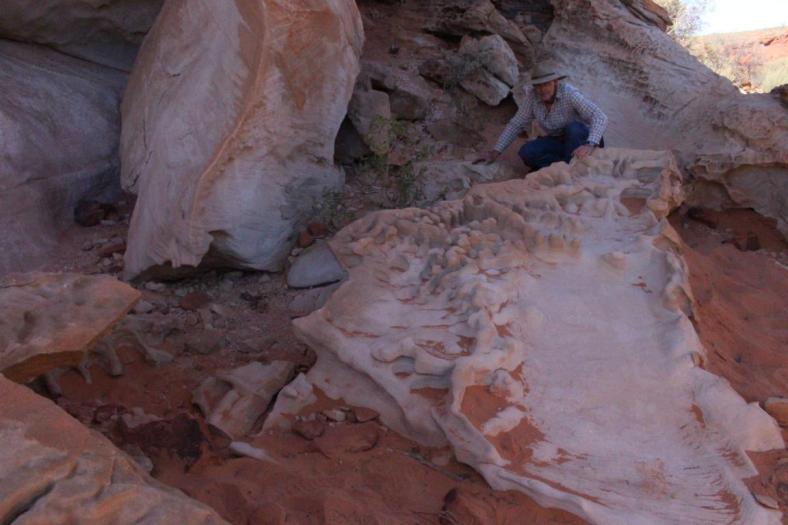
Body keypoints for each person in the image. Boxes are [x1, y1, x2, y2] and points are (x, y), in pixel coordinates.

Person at [480, 61, 608, 170]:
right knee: (527, 152)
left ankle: (570, 168)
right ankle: (565, 165)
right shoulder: (532, 97)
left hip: (581, 139)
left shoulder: (569, 94)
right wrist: (495, 152)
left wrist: (590, 144)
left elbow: (600, 116)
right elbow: (516, 124)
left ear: (555, 82)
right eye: (538, 85)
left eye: (546, 84)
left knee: (574, 128)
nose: (542, 89)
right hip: (559, 141)